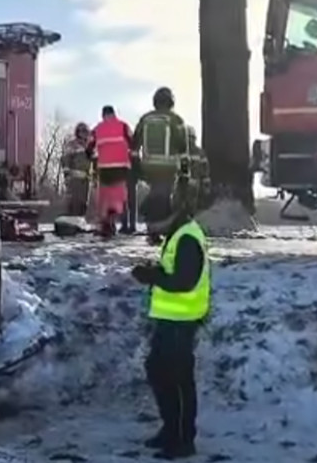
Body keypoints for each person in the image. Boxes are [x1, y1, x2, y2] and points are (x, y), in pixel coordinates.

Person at [129, 175, 210, 459]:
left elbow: (184, 281)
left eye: (153, 223)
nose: (151, 229)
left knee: (177, 380)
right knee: (159, 372)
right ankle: (170, 430)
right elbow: (175, 272)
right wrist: (154, 271)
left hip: (181, 321)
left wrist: (152, 275)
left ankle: (182, 440)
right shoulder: (179, 233)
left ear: (168, 215)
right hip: (170, 320)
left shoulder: (187, 237)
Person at [132, 87, 189, 241]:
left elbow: (134, 144)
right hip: (168, 166)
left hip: (148, 164)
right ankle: (156, 227)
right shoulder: (176, 120)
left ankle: (153, 225)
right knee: (163, 195)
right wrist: (185, 170)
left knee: (157, 192)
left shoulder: (145, 119)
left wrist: (136, 165)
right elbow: (183, 146)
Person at [88, 105, 133, 237]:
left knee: (105, 196)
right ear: (114, 114)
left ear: (103, 115)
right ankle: (116, 221)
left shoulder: (97, 128)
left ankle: (106, 223)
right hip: (121, 167)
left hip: (104, 168)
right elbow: (133, 141)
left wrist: (91, 156)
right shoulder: (124, 126)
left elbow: (89, 146)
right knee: (118, 196)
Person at [61, 122, 93, 218]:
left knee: (84, 203)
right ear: (78, 132)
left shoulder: (89, 146)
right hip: (74, 178)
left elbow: (94, 161)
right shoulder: (72, 145)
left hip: (86, 179)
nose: (84, 134)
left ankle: (80, 219)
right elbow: (65, 159)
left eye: (86, 132)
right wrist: (66, 175)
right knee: (74, 202)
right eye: (82, 132)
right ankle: (71, 221)